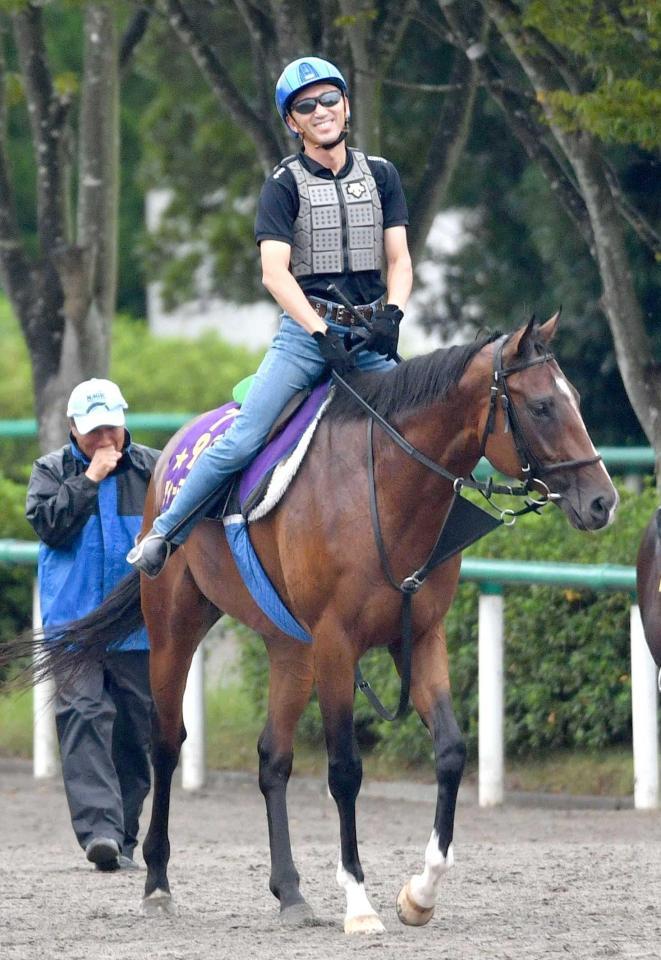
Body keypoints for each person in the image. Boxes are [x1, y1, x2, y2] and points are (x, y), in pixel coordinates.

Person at [128, 55, 413, 578]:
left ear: (346, 105)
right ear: (292, 122)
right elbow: (275, 273)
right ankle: (164, 533)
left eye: (330, 99)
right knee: (243, 437)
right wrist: (319, 331)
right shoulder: (282, 184)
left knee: (427, 423)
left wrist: (392, 313)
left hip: (372, 335)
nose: (321, 110)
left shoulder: (381, 176)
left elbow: (399, 259)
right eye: (307, 106)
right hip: (308, 337)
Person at [25, 379, 159, 871]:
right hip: (73, 625)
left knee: (134, 729)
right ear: (73, 428)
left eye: (112, 426)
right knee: (83, 714)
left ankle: (122, 837)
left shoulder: (153, 468)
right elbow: (48, 526)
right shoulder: (51, 471)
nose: (105, 439)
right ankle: (99, 831)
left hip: (136, 626)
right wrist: (89, 481)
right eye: (94, 429)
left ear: (125, 420)